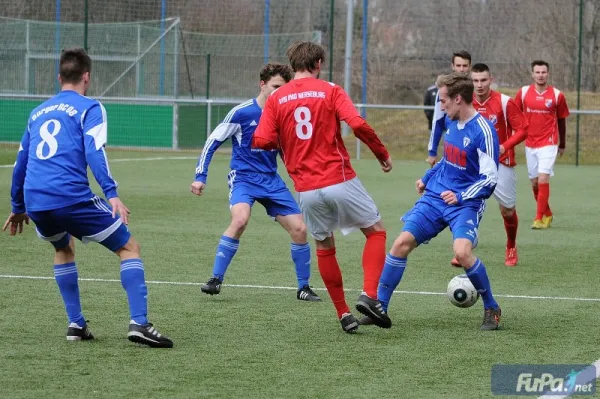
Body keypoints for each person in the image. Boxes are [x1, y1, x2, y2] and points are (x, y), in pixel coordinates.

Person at [3, 48, 173, 348]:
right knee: (129, 246)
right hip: (69, 195)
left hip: (36, 200)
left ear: (59, 78)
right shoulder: (90, 107)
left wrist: (18, 207)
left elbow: (21, 164)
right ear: (87, 77)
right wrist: (112, 194)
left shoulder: (37, 112)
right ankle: (139, 323)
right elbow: (95, 150)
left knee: (63, 247)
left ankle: (76, 324)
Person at [252, 41, 393, 334]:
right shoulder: (331, 90)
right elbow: (357, 124)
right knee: (376, 232)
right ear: (318, 64)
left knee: (325, 246)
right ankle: (369, 295)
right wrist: (381, 154)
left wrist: (288, 140)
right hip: (339, 178)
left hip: (305, 188)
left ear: (292, 66)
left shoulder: (278, 98)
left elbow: (262, 141)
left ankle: (343, 314)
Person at [376, 72, 502, 331]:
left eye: (443, 100)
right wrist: (426, 177)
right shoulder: (451, 122)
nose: (440, 105)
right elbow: (448, 159)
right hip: (436, 196)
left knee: (462, 253)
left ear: (458, 99)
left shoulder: (484, 131)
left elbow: (489, 180)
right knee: (400, 244)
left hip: (465, 203)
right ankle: (380, 307)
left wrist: (461, 196)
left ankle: (491, 307)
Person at [191, 63, 320, 302]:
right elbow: (212, 141)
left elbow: (287, 151)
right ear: (262, 85)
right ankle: (215, 279)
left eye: (284, 88)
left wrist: (304, 176)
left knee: (300, 229)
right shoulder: (242, 112)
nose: (280, 92)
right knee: (240, 220)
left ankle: (304, 287)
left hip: (271, 180)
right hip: (244, 178)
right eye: (276, 87)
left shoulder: (284, 114)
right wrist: (200, 176)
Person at [448, 63, 527, 267]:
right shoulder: (465, 102)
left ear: (490, 80)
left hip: (501, 163)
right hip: (472, 165)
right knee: (466, 203)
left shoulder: (504, 102)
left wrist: (504, 146)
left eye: (483, 80)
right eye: (475, 80)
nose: (479, 85)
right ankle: (463, 249)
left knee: (508, 210)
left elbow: (523, 129)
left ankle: (511, 244)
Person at [514, 60, 570, 229]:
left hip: (549, 142)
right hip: (530, 143)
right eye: (537, 72)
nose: (540, 75)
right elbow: (514, 115)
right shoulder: (523, 93)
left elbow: (561, 121)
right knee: (534, 182)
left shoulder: (557, 95)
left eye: (543, 72)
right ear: (532, 74)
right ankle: (548, 213)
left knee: (543, 178)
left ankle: (539, 218)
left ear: (548, 73)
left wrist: (562, 144)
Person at [426, 51, 472, 167]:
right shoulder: (444, 90)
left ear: (470, 66)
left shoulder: (476, 88)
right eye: (458, 66)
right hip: (453, 143)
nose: (462, 69)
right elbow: (437, 121)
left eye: (465, 66)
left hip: (473, 143)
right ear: (452, 66)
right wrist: (432, 151)